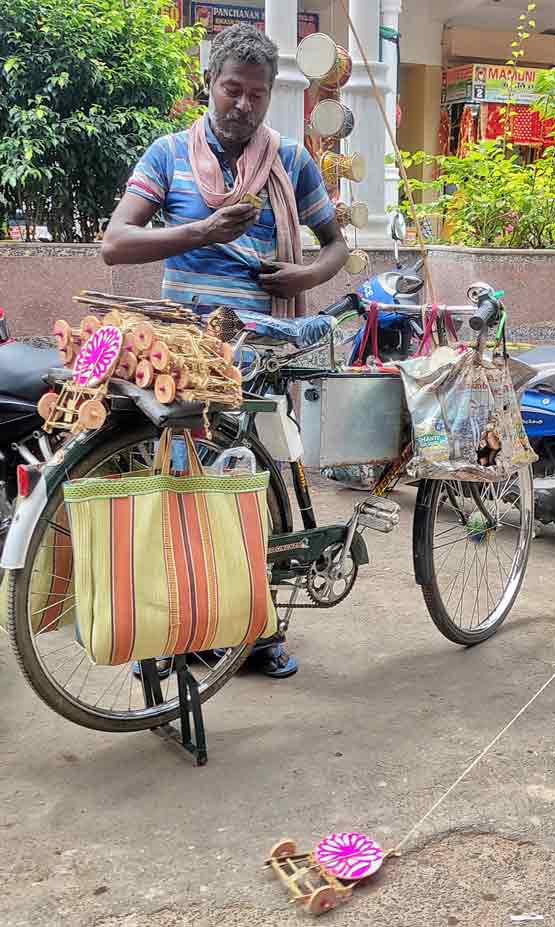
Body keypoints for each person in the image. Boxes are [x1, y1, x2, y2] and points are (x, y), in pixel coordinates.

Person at [103, 23, 349, 679]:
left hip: (260, 351)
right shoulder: (167, 155)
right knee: (181, 491)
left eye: (256, 95)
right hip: (183, 350)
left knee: (252, 489)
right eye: (231, 90)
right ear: (209, 86)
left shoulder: (292, 161)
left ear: (271, 98)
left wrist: (306, 276)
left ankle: (253, 629)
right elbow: (115, 242)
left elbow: (336, 245)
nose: (242, 105)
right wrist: (202, 229)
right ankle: (168, 627)